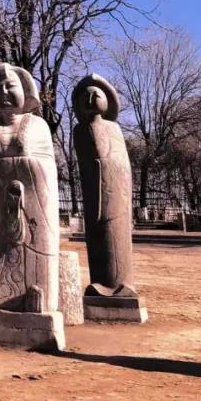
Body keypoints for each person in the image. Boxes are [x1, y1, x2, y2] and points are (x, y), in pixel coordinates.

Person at [0, 63, 60, 312]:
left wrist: (14, 168)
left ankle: (34, 292)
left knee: (34, 249)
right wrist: (5, 172)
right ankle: (1, 286)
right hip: (6, 209)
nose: (4, 92)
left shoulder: (37, 126)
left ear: (25, 91)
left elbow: (46, 169)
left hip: (36, 210)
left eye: (10, 86)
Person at [72, 73, 136, 297]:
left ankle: (122, 282)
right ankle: (101, 281)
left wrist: (112, 169)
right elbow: (86, 158)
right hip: (94, 187)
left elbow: (122, 161)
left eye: (96, 95)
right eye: (86, 96)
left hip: (116, 186)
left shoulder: (113, 128)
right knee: (97, 232)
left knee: (117, 233)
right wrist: (99, 165)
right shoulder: (80, 130)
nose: (90, 99)